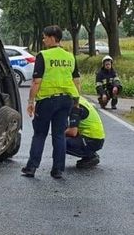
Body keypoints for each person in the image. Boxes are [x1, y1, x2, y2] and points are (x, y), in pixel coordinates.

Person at [21, 25, 81, 179]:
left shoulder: (43, 56)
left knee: (40, 134)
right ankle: (58, 170)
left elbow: (36, 81)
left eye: (44, 37)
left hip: (47, 100)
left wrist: (30, 101)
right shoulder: (70, 57)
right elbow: (76, 81)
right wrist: (77, 100)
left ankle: (31, 167)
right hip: (66, 100)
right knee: (59, 135)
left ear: (52, 38)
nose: (43, 39)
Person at [65, 96, 105, 168]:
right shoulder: (80, 99)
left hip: (91, 140)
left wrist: (57, 132)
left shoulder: (76, 106)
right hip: (96, 138)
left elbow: (72, 132)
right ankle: (90, 154)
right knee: (64, 131)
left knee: (60, 141)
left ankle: (90, 156)